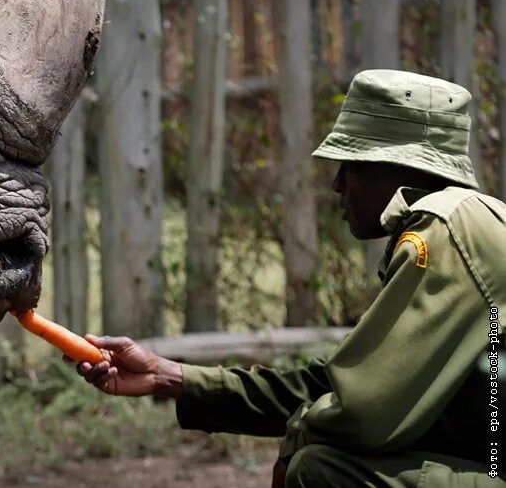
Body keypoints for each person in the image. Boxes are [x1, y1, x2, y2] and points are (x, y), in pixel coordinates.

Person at [76, 69, 504, 487]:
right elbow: (337, 385)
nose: (337, 184)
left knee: (319, 471)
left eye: (351, 164)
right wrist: (167, 375)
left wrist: (296, 439)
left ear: (401, 167)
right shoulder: (467, 223)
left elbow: (362, 413)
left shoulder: (442, 231)